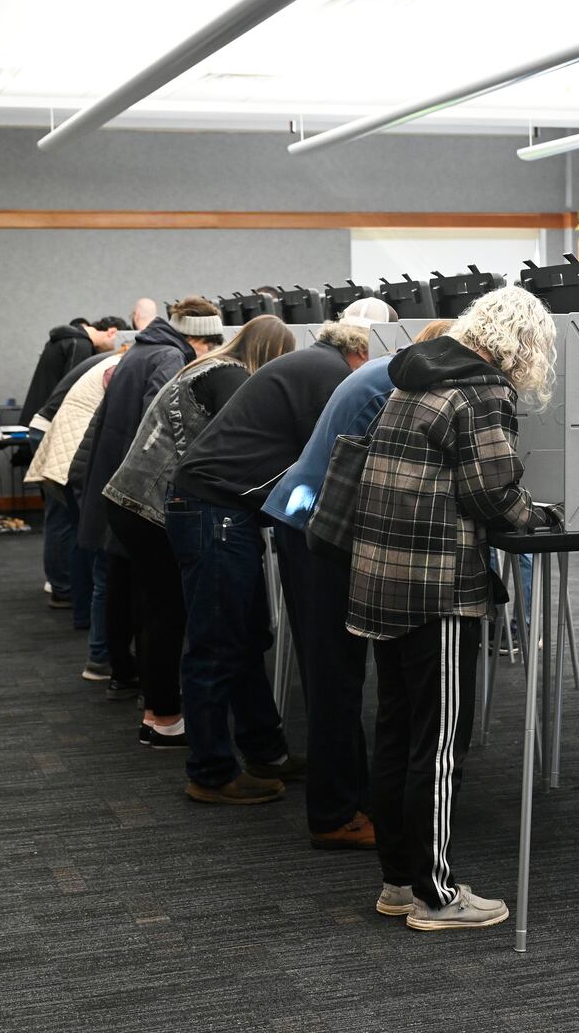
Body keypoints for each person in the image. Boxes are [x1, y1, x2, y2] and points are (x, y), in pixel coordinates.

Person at [345, 286, 559, 932]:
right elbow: (492, 492)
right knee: (438, 747)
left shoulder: (416, 374)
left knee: (396, 733)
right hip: (436, 584)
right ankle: (437, 897)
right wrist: (544, 519)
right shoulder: (480, 388)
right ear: (521, 344)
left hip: (381, 575)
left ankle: (398, 882)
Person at [166, 305, 380, 807]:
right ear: (361, 352)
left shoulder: (312, 363)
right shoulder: (329, 375)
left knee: (244, 637)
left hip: (215, 507)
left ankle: (264, 751)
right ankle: (210, 772)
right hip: (213, 509)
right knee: (218, 644)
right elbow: (333, 457)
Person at [102, 316, 295, 750]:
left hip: (128, 498)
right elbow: (239, 444)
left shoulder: (204, 366)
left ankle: (158, 714)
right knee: (173, 615)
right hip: (152, 504)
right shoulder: (231, 377)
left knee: (159, 611)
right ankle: (167, 717)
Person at [259, 299, 404, 848]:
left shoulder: (353, 370)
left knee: (332, 675)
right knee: (335, 678)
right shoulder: (381, 379)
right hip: (317, 530)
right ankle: (335, 812)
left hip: (304, 521)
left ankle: (347, 800)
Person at [78, 297, 215, 703]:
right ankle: (149, 686)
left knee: (121, 583)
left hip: (114, 481)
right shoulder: (171, 357)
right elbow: (164, 428)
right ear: (200, 337)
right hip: (138, 490)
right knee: (150, 596)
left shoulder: (142, 349)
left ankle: (119, 669)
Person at [26, 340, 129, 676]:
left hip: (68, 451)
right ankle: (98, 653)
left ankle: (79, 611)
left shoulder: (112, 360)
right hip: (74, 455)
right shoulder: (119, 368)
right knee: (95, 552)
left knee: (78, 537)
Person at [21, 317, 120, 608]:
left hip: (45, 423)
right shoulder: (82, 346)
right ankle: (64, 586)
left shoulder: (67, 341)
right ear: (113, 333)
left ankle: (64, 584)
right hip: (57, 427)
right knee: (66, 516)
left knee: (63, 515)